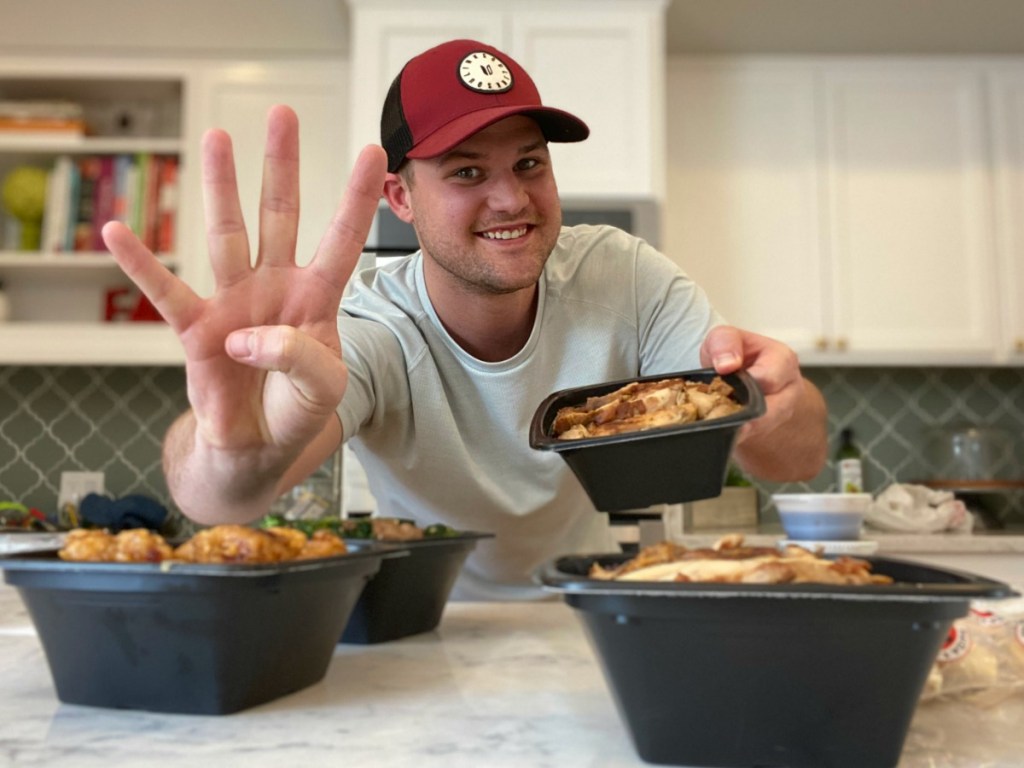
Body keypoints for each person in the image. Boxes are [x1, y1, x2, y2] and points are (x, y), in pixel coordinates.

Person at [101, 39, 828, 600]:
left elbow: (793, 459)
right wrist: (231, 446)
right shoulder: (371, 326)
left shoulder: (625, 276)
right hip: (424, 624)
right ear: (401, 196)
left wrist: (774, 404)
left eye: (530, 164)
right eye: (467, 172)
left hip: (606, 606)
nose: (512, 199)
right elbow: (217, 501)